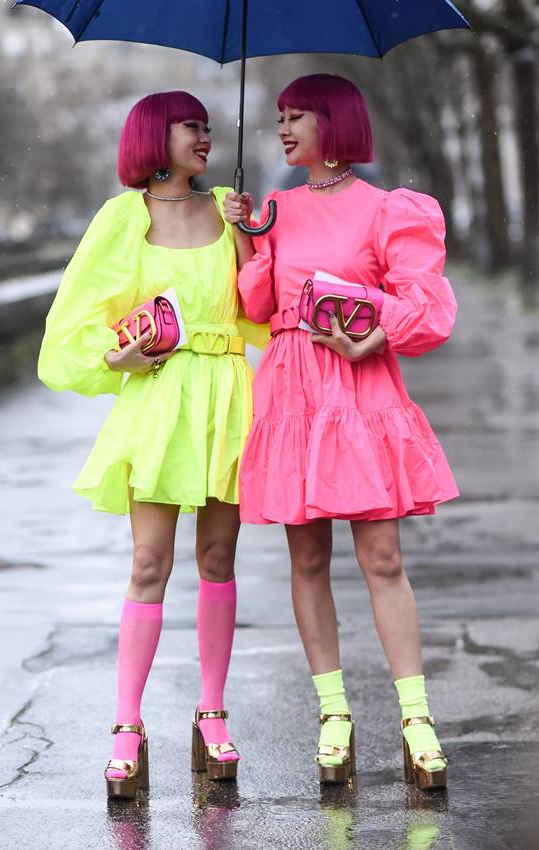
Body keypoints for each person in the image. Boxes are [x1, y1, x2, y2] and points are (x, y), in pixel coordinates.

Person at [224, 74, 458, 791]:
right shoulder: (274, 208)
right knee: (307, 557)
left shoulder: (390, 210)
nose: (285, 128)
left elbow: (428, 303)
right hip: (294, 388)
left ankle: (416, 717)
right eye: (280, 117)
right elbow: (259, 306)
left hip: (359, 383)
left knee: (381, 554)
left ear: (337, 124)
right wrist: (242, 234)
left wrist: (376, 335)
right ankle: (334, 714)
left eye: (298, 117)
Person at [38, 91, 251, 797]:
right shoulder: (122, 217)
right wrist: (118, 356)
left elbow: (263, 305)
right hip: (159, 403)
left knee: (218, 557)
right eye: (192, 125)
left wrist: (250, 236)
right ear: (156, 136)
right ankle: (127, 726)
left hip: (226, 396)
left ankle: (212, 715)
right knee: (149, 563)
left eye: (207, 126)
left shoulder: (229, 208)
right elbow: (72, 325)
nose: (205, 135)